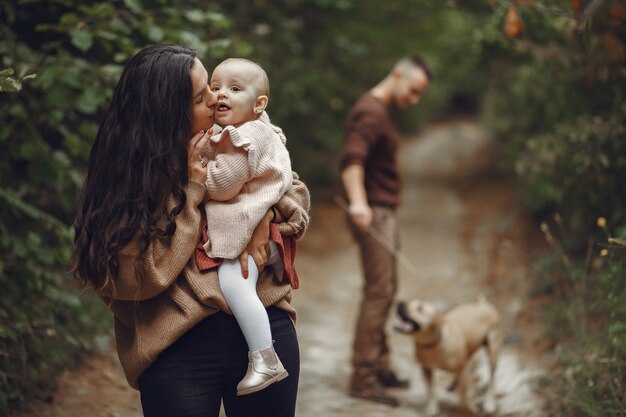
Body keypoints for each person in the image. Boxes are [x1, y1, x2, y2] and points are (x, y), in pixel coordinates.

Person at [71, 45, 310, 417]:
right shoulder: (125, 183)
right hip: (177, 346)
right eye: (203, 95)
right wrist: (193, 190)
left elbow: (291, 189)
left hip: (263, 327)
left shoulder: (233, 135)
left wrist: (267, 215)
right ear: (169, 115)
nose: (218, 99)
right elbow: (139, 278)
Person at [339, 56, 433, 407]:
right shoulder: (372, 112)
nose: (415, 99)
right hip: (374, 212)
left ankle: (378, 365)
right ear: (396, 75)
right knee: (379, 292)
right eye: (413, 90)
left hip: (382, 211)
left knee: (386, 289)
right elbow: (352, 160)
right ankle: (363, 377)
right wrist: (359, 204)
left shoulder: (381, 110)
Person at [199, 57, 295, 396]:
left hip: (253, 234)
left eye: (234, 89)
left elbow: (222, 186)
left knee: (234, 282)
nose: (221, 94)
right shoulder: (256, 125)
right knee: (238, 282)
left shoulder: (243, 137)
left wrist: (197, 167)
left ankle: (264, 357)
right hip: (257, 231)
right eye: (216, 86)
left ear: (259, 104)